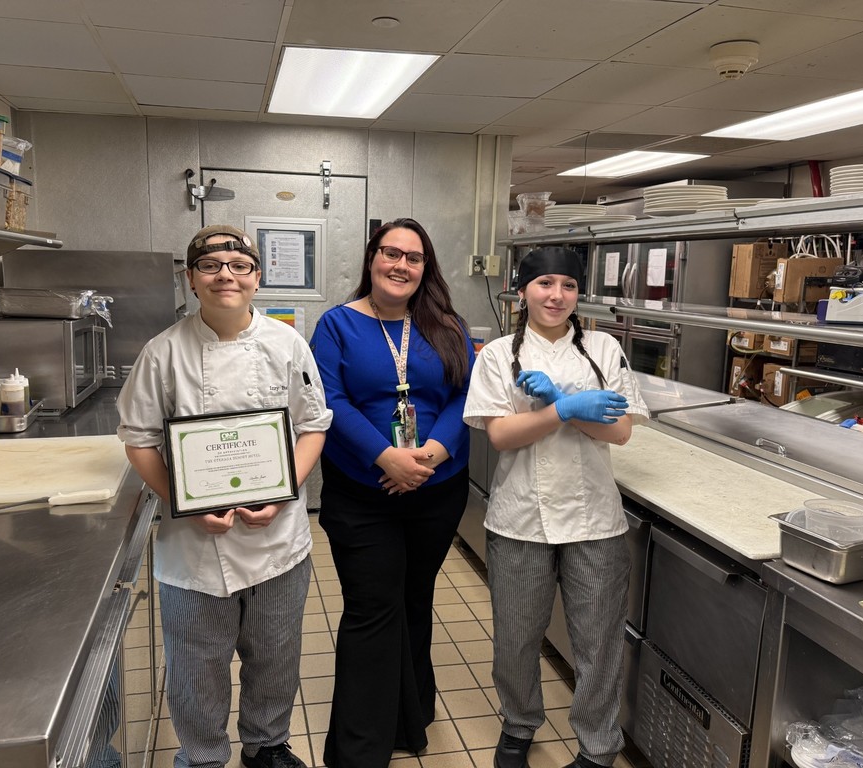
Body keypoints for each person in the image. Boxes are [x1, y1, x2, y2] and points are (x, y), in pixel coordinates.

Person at [116, 224, 332, 768]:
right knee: (195, 664)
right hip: (193, 547)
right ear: (191, 279)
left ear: (257, 278)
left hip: (278, 540)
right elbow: (138, 440)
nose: (225, 276)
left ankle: (266, 746)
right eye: (210, 266)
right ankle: (204, 755)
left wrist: (286, 496)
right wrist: (182, 500)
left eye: (239, 266)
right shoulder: (162, 353)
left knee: (276, 656)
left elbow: (313, 427)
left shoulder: (287, 344)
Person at [461, 247, 649, 768]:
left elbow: (621, 430)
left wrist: (562, 400)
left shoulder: (604, 349)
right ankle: (519, 725)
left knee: (599, 644)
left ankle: (598, 746)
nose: (556, 295)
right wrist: (565, 409)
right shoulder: (498, 355)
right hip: (519, 518)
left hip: (595, 520)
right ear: (523, 290)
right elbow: (500, 435)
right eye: (545, 283)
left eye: (568, 284)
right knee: (516, 638)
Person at [309, 218, 475, 768]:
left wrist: (433, 453)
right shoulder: (336, 326)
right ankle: (358, 750)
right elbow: (328, 403)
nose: (400, 265)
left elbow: (462, 396)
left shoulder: (446, 325)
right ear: (372, 259)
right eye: (390, 253)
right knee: (371, 609)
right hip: (362, 495)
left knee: (414, 601)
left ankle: (410, 719)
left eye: (413, 257)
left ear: (425, 268)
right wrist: (387, 457)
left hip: (436, 489)